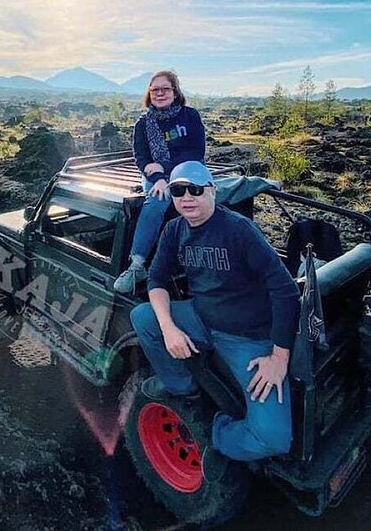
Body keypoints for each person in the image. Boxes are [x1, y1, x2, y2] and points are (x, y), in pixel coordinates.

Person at [129, 161, 300, 461]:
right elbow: (156, 279)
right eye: (178, 190)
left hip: (246, 337)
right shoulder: (174, 230)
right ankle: (181, 387)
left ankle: (215, 434)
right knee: (144, 317)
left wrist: (278, 358)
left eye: (195, 189)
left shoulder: (239, 230)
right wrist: (169, 328)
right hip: (200, 316)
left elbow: (286, 291)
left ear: (213, 191)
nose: (187, 198)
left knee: (272, 438)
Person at [113, 70, 206, 293]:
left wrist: (164, 168)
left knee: (203, 200)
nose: (160, 93)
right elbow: (142, 158)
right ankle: (137, 265)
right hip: (155, 177)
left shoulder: (190, 116)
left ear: (175, 91)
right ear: (149, 94)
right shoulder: (143, 124)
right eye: (155, 90)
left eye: (165, 89)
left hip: (189, 170)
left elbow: (197, 151)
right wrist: (158, 177)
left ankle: (215, 251)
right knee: (157, 200)